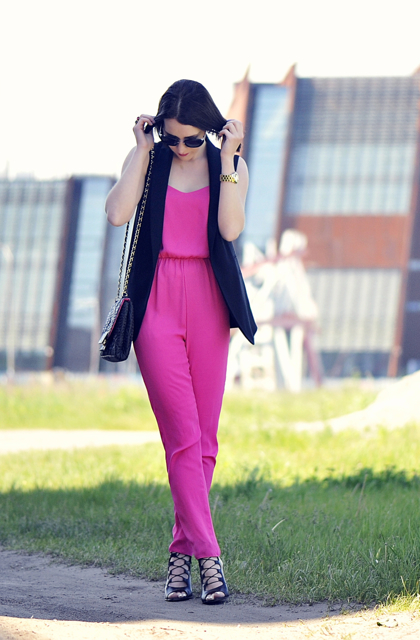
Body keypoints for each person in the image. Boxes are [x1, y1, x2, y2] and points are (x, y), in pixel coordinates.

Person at [104, 79, 257, 604]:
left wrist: (229, 159)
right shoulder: (150, 160)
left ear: (209, 130)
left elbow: (230, 230)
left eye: (192, 139)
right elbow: (116, 213)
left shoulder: (227, 166)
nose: (182, 148)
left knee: (205, 442)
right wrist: (143, 151)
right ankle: (210, 558)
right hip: (157, 303)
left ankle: (179, 555)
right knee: (182, 436)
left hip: (209, 300)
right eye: (172, 138)